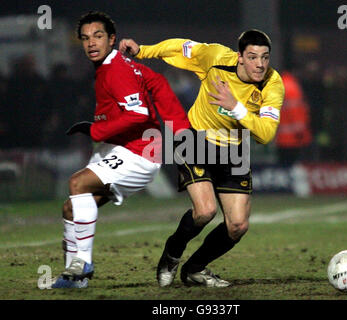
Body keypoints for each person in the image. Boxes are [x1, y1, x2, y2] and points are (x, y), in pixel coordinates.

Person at [119, 30, 285, 287]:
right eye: (252, 57)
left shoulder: (272, 83)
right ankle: (172, 254)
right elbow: (179, 46)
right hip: (196, 141)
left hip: (234, 152)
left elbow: (266, 134)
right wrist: (142, 50)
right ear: (240, 57)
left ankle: (195, 269)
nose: (260, 64)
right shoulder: (215, 56)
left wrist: (236, 107)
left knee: (238, 226)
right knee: (205, 211)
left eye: (265, 57)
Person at [51, 11, 190, 288]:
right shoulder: (123, 65)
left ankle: (83, 262)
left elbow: (138, 113)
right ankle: (74, 277)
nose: (91, 43)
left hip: (138, 152)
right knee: (71, 208)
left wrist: (95, 130)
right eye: (86, 38)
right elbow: (158, 83)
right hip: (121, 148)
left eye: (98, 36)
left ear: (112, 39)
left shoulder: (116, 70)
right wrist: (181, 128)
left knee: (77, 182)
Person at [275, 70, 312, 166]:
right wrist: (301, 132)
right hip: (293, 138)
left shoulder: (279, 85)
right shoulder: (292, 87)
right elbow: (295, 112)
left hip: (281, 136)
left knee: (283, 165)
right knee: (293, 166)